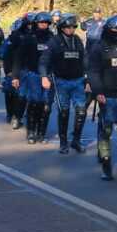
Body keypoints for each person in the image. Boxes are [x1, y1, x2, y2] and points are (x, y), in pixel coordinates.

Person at [86, 14, 117, 180]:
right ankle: (106, 165)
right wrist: (98, 91)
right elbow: (93, 72)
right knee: (106, 129)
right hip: (106, 95)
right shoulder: (99, 47)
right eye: (115, 29)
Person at [42, 13, 89, 154]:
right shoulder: (54, 42)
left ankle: (76, 140)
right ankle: (63, 142)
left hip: (77, 81)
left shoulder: (78, 40)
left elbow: (85, 59)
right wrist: (44, 76)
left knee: (81, 111)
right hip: (61, 81)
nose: (70, 29)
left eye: (73, 27)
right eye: (67, 27)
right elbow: (44, 60)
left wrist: (88, 78)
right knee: (64, 112)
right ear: (62, 27)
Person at [12, 12, 54, 143]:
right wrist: (15, 76)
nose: (44, 25)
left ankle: (41, 133)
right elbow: (18, 57)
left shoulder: (52, 38)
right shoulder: (29, 38)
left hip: (49, 75)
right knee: (35, 103)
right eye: (41, 22)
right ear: (36, 23)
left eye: (46, 23)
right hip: (33, 75)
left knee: (46, 105)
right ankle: (31, 132)